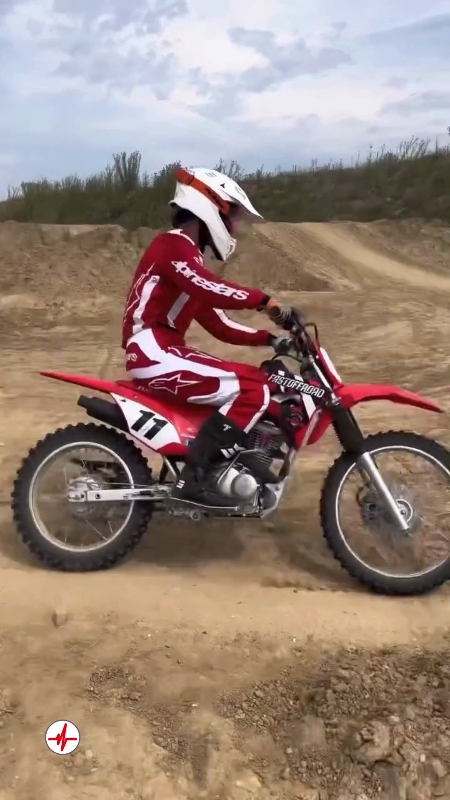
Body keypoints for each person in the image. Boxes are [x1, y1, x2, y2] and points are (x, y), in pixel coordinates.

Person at [122, 166, 299, 506]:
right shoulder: (173, 247)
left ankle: (226, 466)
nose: (233, 225)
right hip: (152, 348)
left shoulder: (189, 261)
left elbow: (219, 324)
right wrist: (263, 301)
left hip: (163, 350)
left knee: (256, 379)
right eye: (231, 214)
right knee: (253, 389)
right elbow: (213, 289)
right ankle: (197, 477)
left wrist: (271, 340)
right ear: (210, 206)